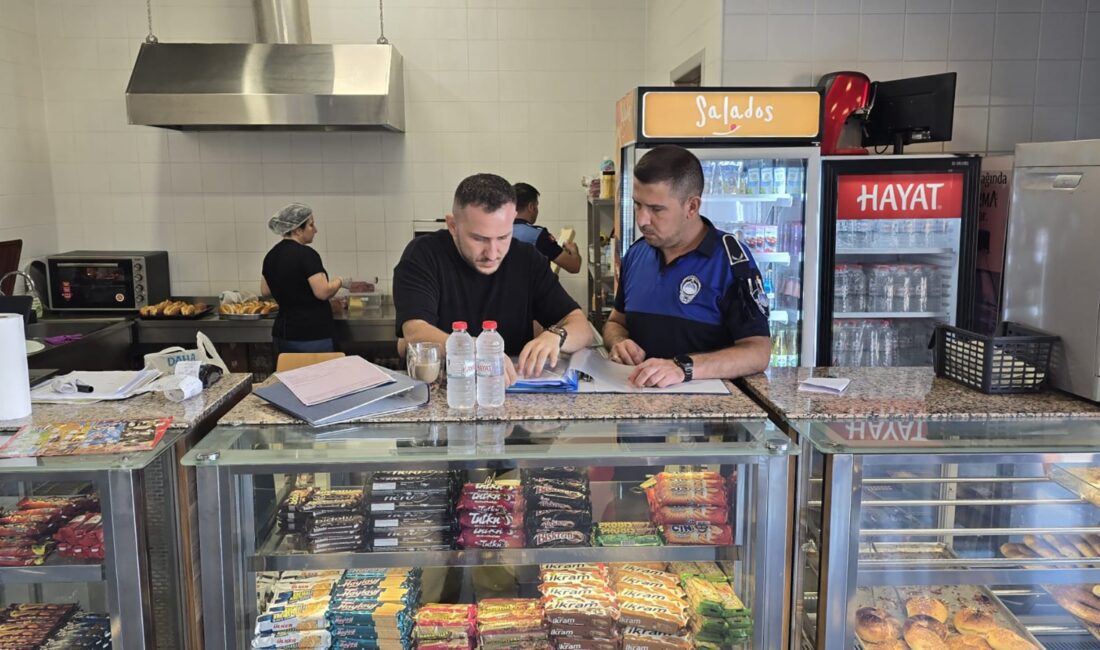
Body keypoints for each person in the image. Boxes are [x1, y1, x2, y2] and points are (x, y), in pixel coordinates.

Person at [393, 173, 592, 383]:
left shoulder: (526, 259)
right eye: (478, 239)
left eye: (503, 237)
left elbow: (582, 327)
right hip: (446, 391)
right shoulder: (424, 254)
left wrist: (556, 336)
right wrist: (475, 350)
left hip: (511, 392)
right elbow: (415, 331)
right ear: (452, 226)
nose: (492, 252)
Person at [602, 145, 771, 388]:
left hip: (707, 419)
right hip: (638, 412)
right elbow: (616, 322)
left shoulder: (730, 261)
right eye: (638, 205)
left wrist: (683, 368)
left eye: (656, 209)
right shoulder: (636, 254)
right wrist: (619, 342)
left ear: (692, 206)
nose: (642, 220)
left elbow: (758, 352)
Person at [261, 203, 347, 354]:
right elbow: (323, 292)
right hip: (312, 335)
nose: (315, 230)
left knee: (290, 375)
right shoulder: (307, 254)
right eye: (311, 225)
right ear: (297, 230)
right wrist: (340, 281)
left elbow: (265, 291)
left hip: (284, 334)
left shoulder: (271, 255)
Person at [511, 182, 582, 273]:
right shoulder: (538, 235)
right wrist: (575, 252)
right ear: (531, 207)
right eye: (536, 205)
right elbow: (574, 267)